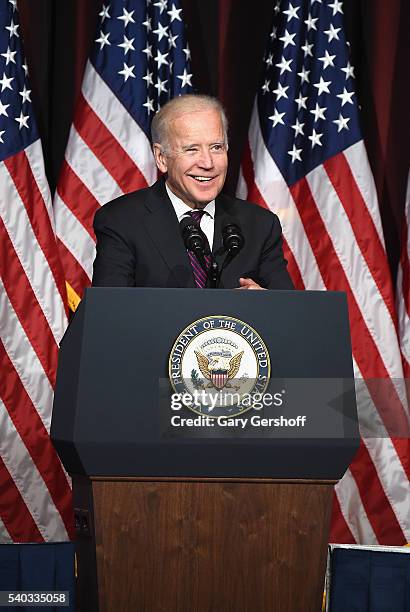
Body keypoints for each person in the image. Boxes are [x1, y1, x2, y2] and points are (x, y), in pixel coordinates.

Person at [92, 94, 294, 290]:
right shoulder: (121, 221)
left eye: (216, 147)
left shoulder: (260, 225)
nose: (208, 163)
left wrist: (266, 305)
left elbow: (289, 316)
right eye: (191, 149)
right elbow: (111, 315)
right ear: (162, 158)